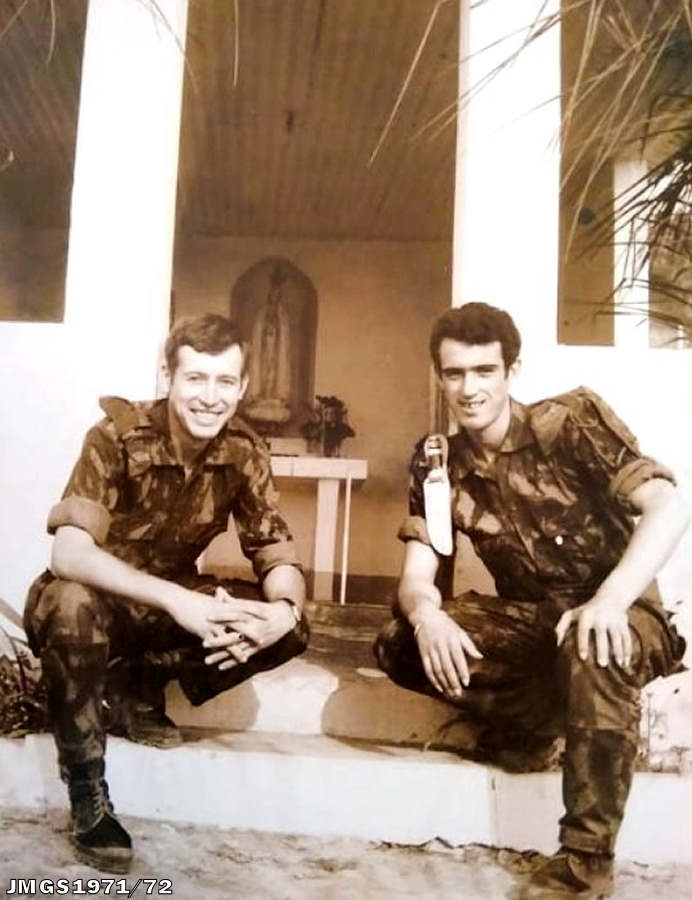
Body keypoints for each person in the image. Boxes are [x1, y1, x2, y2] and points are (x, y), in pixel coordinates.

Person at [374, 303, 689, 899]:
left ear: (512, 371)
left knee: (592, 646)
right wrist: (426, 614)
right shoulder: (439, 461)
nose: (469, 389)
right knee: (400, 643)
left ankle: (585, 863)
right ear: (440, 378)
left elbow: (667, 507)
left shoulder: (569, 422)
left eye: (484, 371)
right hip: (535, 623)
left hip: (620, 615)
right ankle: (540, 726)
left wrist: (609, 601)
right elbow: (418, 575)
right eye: (454, 374)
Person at [24, 314, 309, 874]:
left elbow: (277, 554)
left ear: (243, 387)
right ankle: (87, 791)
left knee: (289, 626)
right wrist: (178, 601)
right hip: (96, 601)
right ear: (167, 377)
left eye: (224, 382)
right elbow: (69, 555)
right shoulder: (115, 436)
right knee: (71, 602)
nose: (210, 397)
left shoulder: (245, 451)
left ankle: (135, 683)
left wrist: (283, 609)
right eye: (195, 378)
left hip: (162, 611)